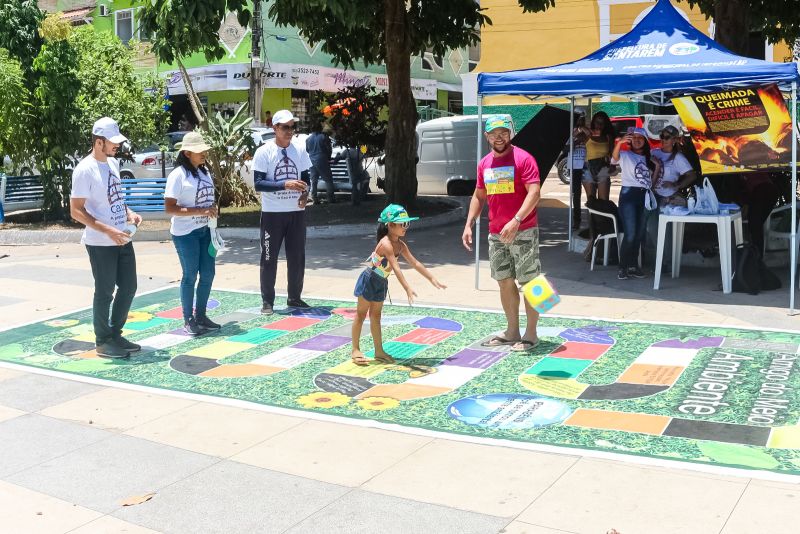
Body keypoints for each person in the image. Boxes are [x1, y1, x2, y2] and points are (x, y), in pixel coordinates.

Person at [462, 115, 542, 353]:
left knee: (532, 282)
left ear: (511, 133)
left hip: (524, 230)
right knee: (504, 282)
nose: (499, 137)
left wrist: (516, 220)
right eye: (494, 133)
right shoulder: (484, 163)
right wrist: (469, 223)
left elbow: (534, 192)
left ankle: (532, 333)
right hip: (496, 234)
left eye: (503, 132)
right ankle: (512, 331)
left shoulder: (524, 158)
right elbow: (479, 195)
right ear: (487, 137)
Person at [69, 117, 142, 359]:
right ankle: (103, 340)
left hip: (122, 238)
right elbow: (76, 210)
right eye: (113, 142)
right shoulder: (84, 169)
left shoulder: (112, 164)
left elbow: (115, 197)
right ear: (99, 142)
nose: (117, 146)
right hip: (101, 242)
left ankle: (115, 333)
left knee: (129, 286)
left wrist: (129, 213)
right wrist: (107, 230)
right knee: (104, 291)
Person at [351, 204, 446, 366]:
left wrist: (431, 278)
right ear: (390, 225)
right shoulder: (386, 244)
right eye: (402, 224)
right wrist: (407, 288)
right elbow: (396, 267)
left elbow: (415, 263)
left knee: (376, 316)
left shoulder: (400, 245)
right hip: (369, 280)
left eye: (407, 224)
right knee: (361, 314)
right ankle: (355, 349)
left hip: (381, 281)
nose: (405, 227)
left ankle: (378, 350)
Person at [253, 109, 312, 315]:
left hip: (295, 213)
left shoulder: (300, 150)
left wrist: (306, 193)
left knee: (297, 257)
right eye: (285, 127)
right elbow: (259, 184)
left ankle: (294, 298)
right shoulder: (264, 152)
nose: (290, 131)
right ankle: (267, 301)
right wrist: (284, 184)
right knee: (269, 257)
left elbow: (306, 177)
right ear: (275, 128)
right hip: (272, 214)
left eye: (292, 127)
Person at [164, 131, 221, 335]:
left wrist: (211, 210)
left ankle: (201, 315)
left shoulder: (204, 172)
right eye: (199, 150)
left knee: (208, 273)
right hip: (185, 233)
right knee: (190, 275)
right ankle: (188, 319)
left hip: (206, 231)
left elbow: (206, 200)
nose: (204, 152)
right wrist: (201, 211)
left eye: (204, 149)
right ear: (187, 153)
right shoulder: (178, 175)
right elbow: (169, 208)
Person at [611, 127, 661, 280]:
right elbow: (613, 159)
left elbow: (650, 183)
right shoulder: (626, 155)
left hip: (644, 196)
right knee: (631, 234)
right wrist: (619, 143)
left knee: (639, 234)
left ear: (645, 141)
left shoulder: (648, 158)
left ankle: (633, 266)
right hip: (629, 195)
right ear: (630, 141)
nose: (638, 140)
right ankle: (623, 267)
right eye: (635, 138)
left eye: (641, 138)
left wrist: (657, 166)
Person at [583, 111, 615, 201]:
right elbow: (573, 140)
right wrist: (580, 128)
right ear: (593, 122)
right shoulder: (588, 134)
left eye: (602, 123)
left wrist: (612, 164)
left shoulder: (608, 136)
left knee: (603, 201)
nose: (599, 125)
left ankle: (602, 216)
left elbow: (612, 153)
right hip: (588, 168)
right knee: (591, 200)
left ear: (605, 124)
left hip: (603, 168)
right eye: (597, 122)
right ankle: (592, 216)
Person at [306, 123, 335, 204]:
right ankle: (330, 198)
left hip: (311, 160)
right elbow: (328, 149)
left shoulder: (308, 139)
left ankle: (314, 198)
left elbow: (307, 150)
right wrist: (328, 157)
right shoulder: (324, 137)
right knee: (328, 179)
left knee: (314, 180)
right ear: (320, 128)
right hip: (322, 159)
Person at [570, 113, 589, 230]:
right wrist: (576, 141)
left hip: (586, 165)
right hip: (575, 167)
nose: (581, 122)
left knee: (590, 195)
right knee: (576, 195)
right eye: (579, 120)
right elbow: (565, 149)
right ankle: (577, 221)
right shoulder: (571, 133)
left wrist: (586, 136)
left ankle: (593, 220)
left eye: (583, 120)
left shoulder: (588, 132)